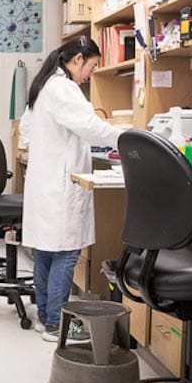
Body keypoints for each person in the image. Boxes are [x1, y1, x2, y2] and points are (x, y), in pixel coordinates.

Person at [19, 37, 122, 342]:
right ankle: (55, 325)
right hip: (61, 184)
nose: (90, 74)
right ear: (78, 59)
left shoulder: (44, 86)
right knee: (66, 252)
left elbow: (26, 130)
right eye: (91, 66)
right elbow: (91, 127)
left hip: (46, 181)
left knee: (47, 253)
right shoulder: (64, 88)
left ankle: (44, 319)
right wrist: (130, 139)